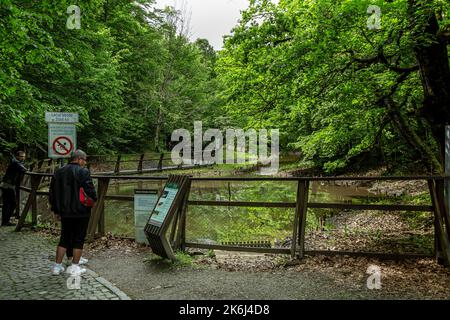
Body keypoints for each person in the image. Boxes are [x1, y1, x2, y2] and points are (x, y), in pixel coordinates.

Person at [49, 150, 97, 275]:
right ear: (79, 159)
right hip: (81, 211)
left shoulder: (59, 172)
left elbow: (52, 193)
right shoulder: (83, 172)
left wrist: (56, 210)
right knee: (78, 238)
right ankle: (74, 267)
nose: (85, 163)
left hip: (65, 211)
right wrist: (94, 199)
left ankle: (56, 267)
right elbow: (90, 190)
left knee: (64, 238)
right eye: (84, 160)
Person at [1, 151, 27, 226]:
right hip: (8, 185)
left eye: (24, 156)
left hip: (7, 185)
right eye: (22, 156)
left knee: (7, 204)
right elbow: (24, 169)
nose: (23, 158)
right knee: (12, 204)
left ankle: (5, 221)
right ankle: (5, 221)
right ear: (17, 156)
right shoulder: (16, 163)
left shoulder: (15, 162)